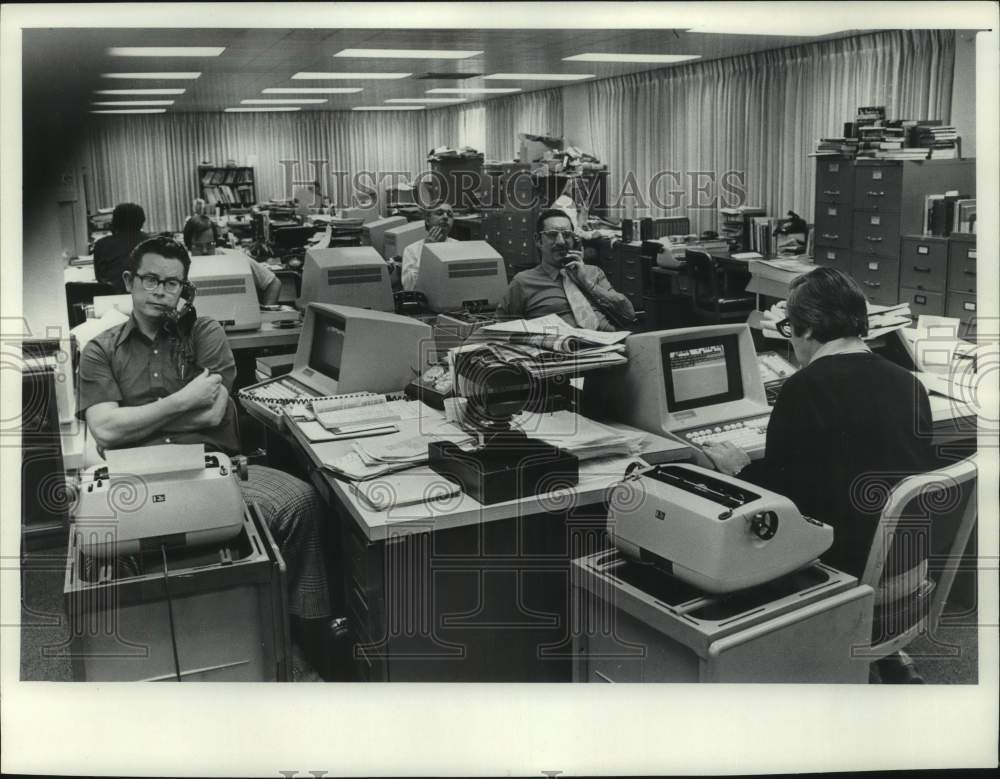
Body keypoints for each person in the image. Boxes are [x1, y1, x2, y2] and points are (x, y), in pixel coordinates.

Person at [77, 236, 333, 674]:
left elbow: (214, 411)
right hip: (136, 479)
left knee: (302, 501)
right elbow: (103, 428)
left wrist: (136, 420)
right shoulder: (101, 350)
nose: (160, 291)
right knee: (109, 541)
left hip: (214, 468)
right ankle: (146, 657)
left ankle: (300, 637)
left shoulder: (205, 333)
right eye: (150, 280)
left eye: (172, 283)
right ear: (129, 281)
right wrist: (182, 402)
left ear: (185, 289)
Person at [702, 266, 936, 683]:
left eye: (790, 328)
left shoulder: (803, 389)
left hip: (848, 576)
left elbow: (781, 505)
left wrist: (739, 467)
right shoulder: (910, 384)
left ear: (807, 329)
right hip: (909, 572)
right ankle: (884, 652)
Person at [496, 208, 635, 331]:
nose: (561, 241)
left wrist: (587, 284)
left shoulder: (594, 273)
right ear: (538, 240)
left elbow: (628, 315)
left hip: (608, 345)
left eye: (567, 234)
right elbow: (502, 328)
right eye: (552, 234)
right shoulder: (523, 282)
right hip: (561, 353)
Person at [184, 211, 282, 305]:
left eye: (210, 244)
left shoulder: (235, 258)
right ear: (188, 246)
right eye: (198, 246)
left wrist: (267, 315)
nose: (205, 251)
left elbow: (273, 283)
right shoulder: (182, 266)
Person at [93, 203, 148, 293]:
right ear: (142, 221)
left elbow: (99, 278)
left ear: (115, 222)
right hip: (146, 296)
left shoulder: (101, 244)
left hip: (113, 299)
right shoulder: (152, 242)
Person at [400, 202, 456, 291]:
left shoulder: (460, 247)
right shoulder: (411, 250)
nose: (445, 217)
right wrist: (426, 252)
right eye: (439, 213)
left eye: (450, 215)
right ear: (427, 220)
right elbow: (409, 287)